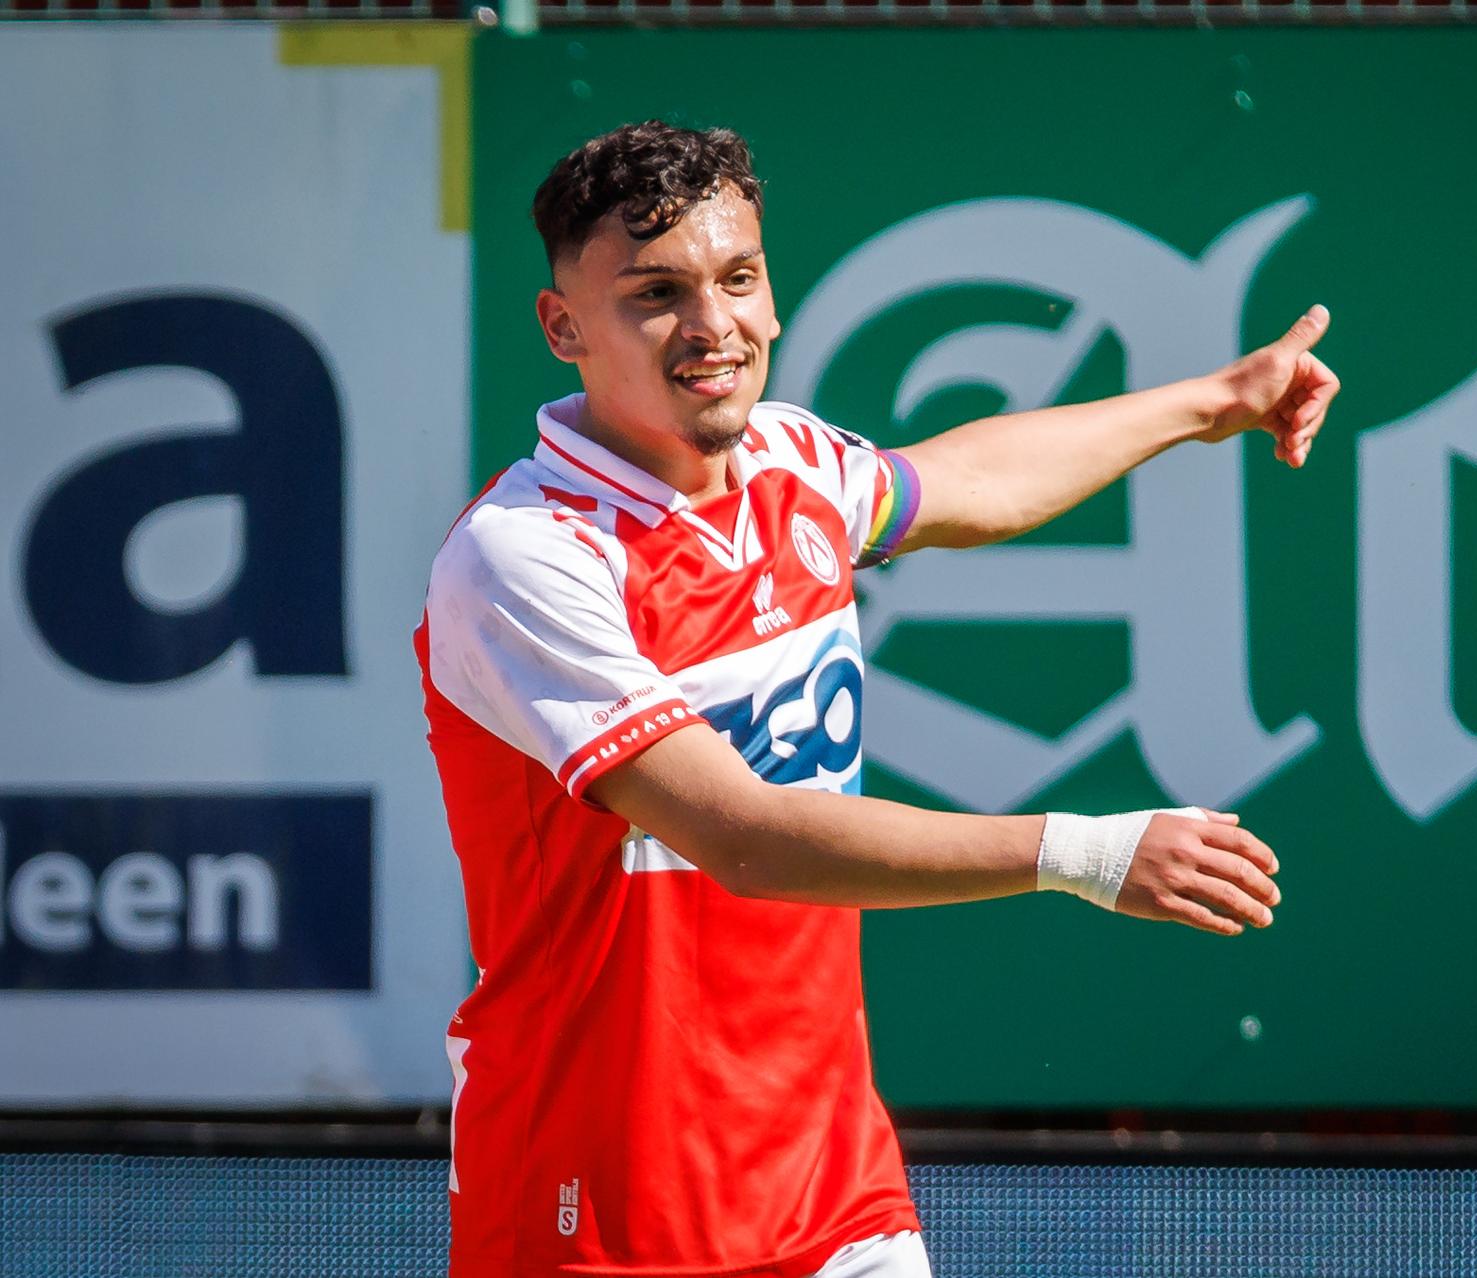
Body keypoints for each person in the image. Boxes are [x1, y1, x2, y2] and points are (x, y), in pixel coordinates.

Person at [416, 121, 1340, 1278]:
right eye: (656, 294)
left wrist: (1216, 400)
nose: (712, 327)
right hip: (601, 1206)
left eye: (738, 279)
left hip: (834, 1195)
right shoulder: (525, 556)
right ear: (564, 328)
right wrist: (1087, 854)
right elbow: (745, 839)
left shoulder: (792, 465)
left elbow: (973, 480)